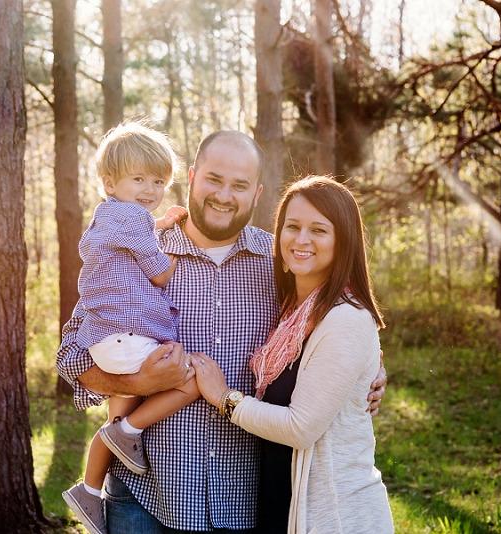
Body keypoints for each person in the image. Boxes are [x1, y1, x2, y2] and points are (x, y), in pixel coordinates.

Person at [57, 131, 388, 534]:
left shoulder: (281, 262)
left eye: (240, 185)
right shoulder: (137, 247)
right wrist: (136, 379)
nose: (224, 195)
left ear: (257, 193)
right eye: (214, 179)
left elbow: (330, 325)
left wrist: (370, 372)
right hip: (147, 499)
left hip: (244, 500)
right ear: (193, 177)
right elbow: (70, 357)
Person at [191, 175, 394, 533]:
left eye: (318, 230)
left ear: (343, 242)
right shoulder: (291, 314)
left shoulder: (345, 318)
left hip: (334, 515)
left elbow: (300, 428)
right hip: (282, 505)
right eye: (293, 226)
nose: (301, 240)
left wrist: (224, 398)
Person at [61, 122, 200, 534]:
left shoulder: (107, 218)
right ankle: (130, 430)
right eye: (138, 179)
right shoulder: (133, 219)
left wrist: (158, 225)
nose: (150, 190)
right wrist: (177, 254)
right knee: (191, 378)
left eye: (159, 181)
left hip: (105, 339)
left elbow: (134, 240)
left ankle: (88, 491)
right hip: (130, 339)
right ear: (108, 181)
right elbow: (157, 272)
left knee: (115, 417)